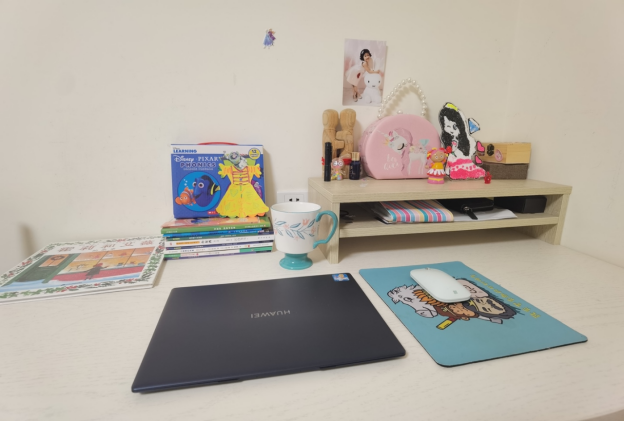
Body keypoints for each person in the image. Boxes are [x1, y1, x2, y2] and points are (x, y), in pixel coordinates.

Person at [438, 104, 486, 180]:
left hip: (461, 158)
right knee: (451, 161)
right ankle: (451, 171)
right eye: (447, 126)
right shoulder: (448, 139)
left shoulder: (465, 140)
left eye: (454, 126)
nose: (451, 130)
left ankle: (458, 172)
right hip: (452, 159)